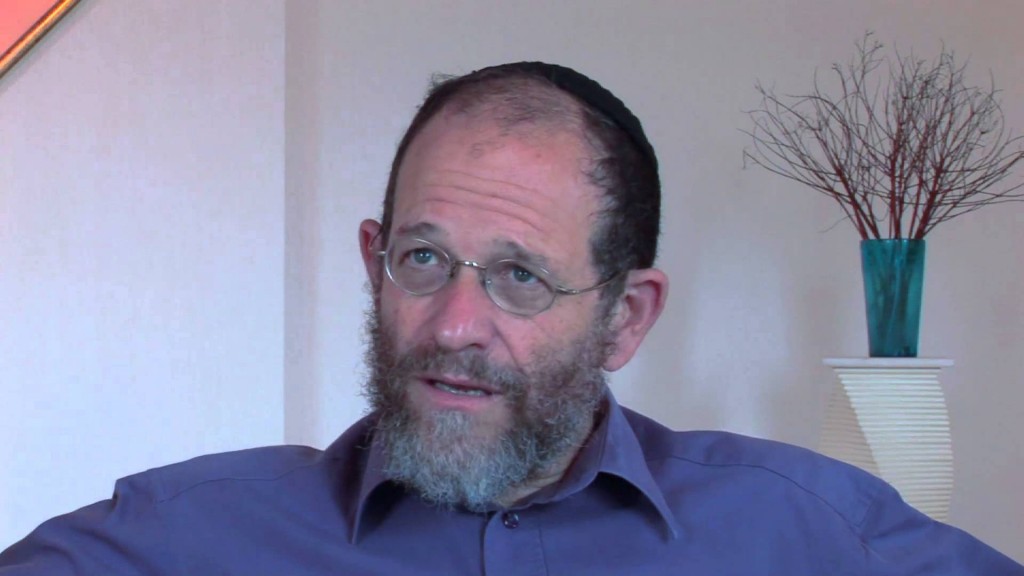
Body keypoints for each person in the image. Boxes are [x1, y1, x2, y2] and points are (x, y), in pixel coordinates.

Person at [1, 61, 1020, 575]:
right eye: (423, 259)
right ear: (373, 263)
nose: (453, 325)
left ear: (625, 316)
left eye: (520, 276)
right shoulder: (181, 539)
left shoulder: (804, 529)